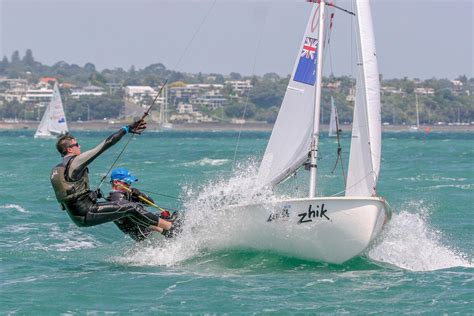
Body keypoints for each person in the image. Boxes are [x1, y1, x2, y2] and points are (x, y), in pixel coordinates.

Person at [50, 119, 176, 236]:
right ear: (69, 149)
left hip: (79, 215)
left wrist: (90, 195)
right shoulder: (75, 163)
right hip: (87, 212)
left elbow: (71, 196)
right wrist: (126, 129)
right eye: (77, 145)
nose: (80, 147)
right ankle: (171, 229)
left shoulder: (57, 170)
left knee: (125, 209)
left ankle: (161, 229)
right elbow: (105, 145)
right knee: (131, 207)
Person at [107, 167, 180, 241]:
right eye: (126, 183)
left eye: (130, 183)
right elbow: (133, 219)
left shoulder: (127, 193)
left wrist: (140, 195)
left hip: (146, 225)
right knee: (173, 224)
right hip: (140, 232)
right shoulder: (115, 200)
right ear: (116, 182)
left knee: (172, 216)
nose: (129, 185)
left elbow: (151, 203)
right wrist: (163, 228)